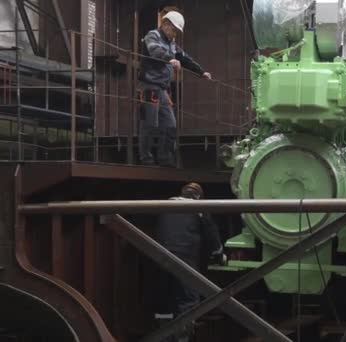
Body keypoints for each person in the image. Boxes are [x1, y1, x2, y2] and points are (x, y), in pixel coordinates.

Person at [154, 182, 226, 341]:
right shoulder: (198, 208)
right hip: (185, 257)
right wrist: (219, 254)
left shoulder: (165, 206)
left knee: (166, 298)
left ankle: (162, 337)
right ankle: (183, 338)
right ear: (198, 196)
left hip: (160, 256)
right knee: (188, 299)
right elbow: (211, 232)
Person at [138, 10, 212, 167]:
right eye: (174, 30)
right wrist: (170, 58)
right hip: (149, 85)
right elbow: (155, 50)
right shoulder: (153, 35)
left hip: (162, 89)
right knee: (149, 123)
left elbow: (184, 58)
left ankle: (165, 159)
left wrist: (201, 71)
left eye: (177, 32)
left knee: (170, 125)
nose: (175, 34)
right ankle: (146, 159)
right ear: (165, 24)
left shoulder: (172, 43)